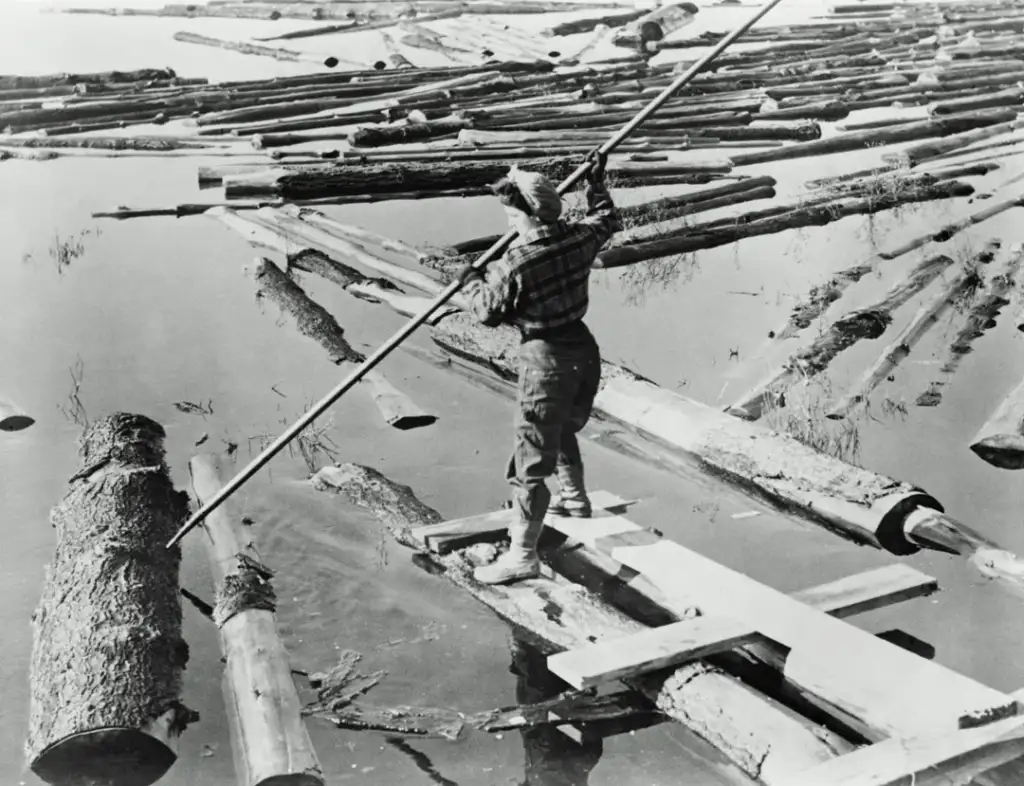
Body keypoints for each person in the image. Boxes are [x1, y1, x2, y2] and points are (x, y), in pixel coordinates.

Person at [457, 150, 622, 585]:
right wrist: (595, 181)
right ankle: (575, 500)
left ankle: (522, 555)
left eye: (512, 217)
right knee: (562, 427)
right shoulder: (580, 237)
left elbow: (486, 313)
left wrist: (471, 282)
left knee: (529, 457)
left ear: (526, 214)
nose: (509, 224)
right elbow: (605, 215)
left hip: (545, 360)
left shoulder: (517, 263)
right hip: (583, 351)